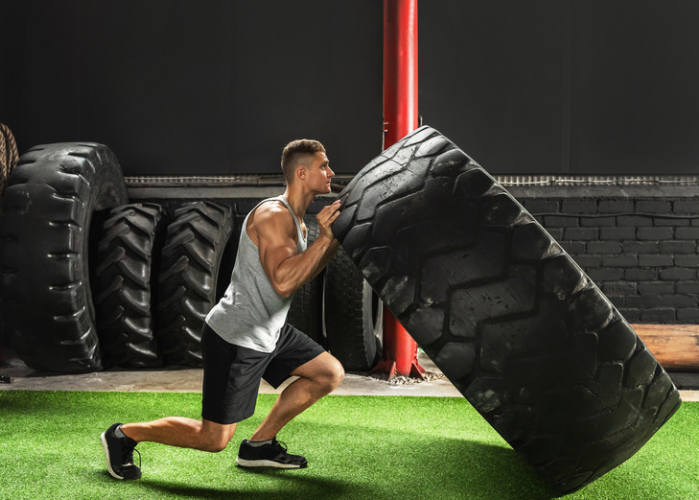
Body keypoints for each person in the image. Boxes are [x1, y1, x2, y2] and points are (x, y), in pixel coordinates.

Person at [100, 139, 345, 480]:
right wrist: (324, 239)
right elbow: (285, 283)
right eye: (324, 166)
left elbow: (304, 270)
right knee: (213, 438)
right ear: (302, 173)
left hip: (270, 330)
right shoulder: (274, 215)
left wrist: (330, 239)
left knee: (328, 372)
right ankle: (124, 434)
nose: (331, 172)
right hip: (237, 335)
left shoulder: (300, 221)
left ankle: (259, 446)